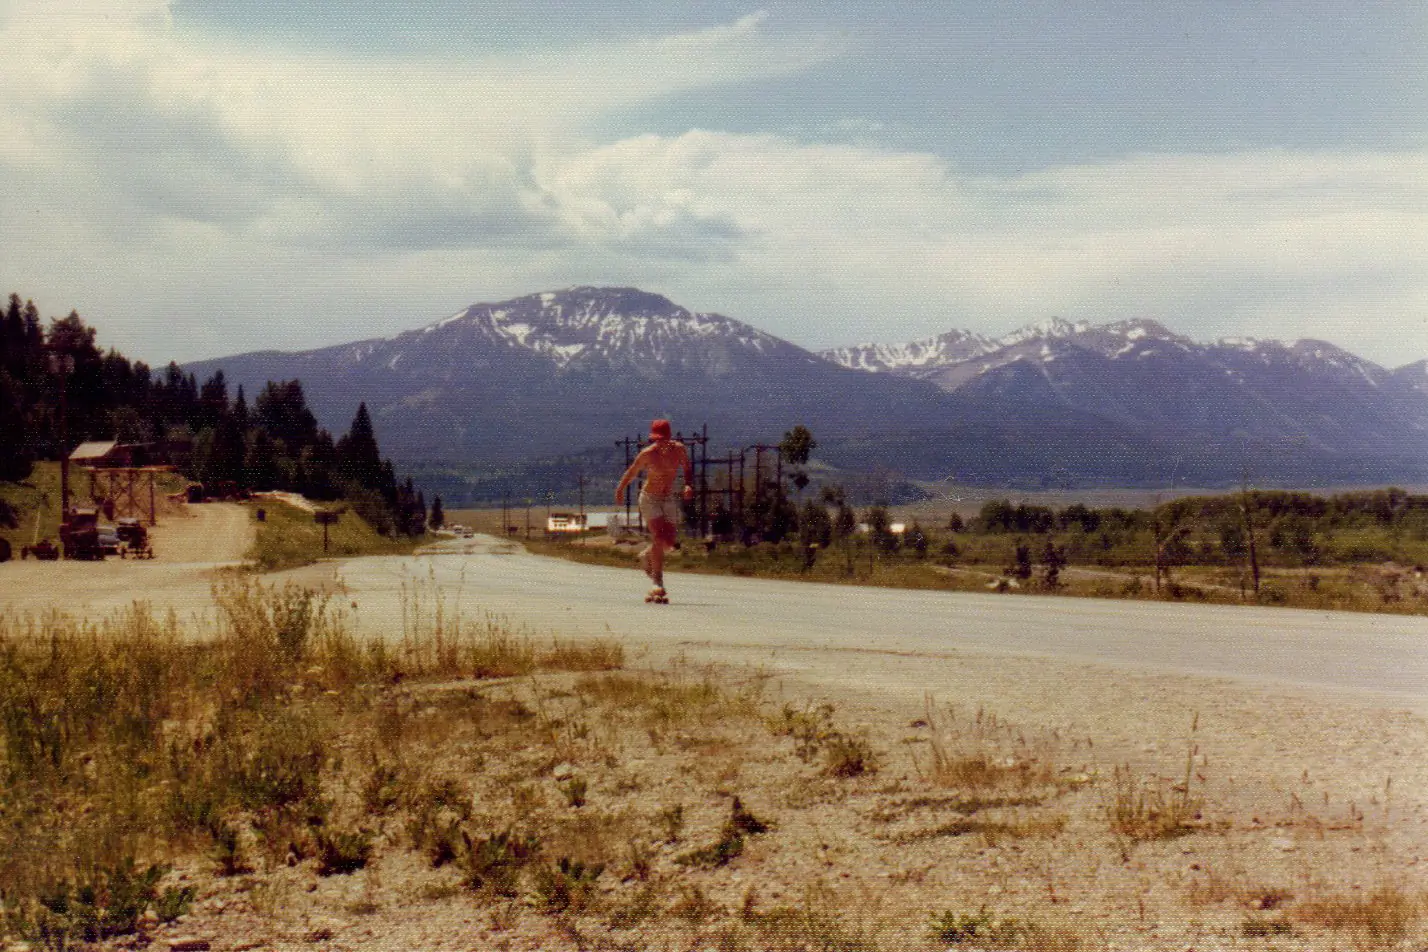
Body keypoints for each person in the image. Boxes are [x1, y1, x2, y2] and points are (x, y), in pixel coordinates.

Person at [615, 418, 695, 602]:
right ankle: (657, 581)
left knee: (669, 542)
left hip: (668, 497)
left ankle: (647, 555)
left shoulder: (679, 450)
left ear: (669, 437)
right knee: (659, 536)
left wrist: (688, 484)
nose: (660, 443)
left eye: (663, 439)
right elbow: (632, 471)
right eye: (656, 439)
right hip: (650, 498)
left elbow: (687, 468)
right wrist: (620, 489)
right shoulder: (648, 454)